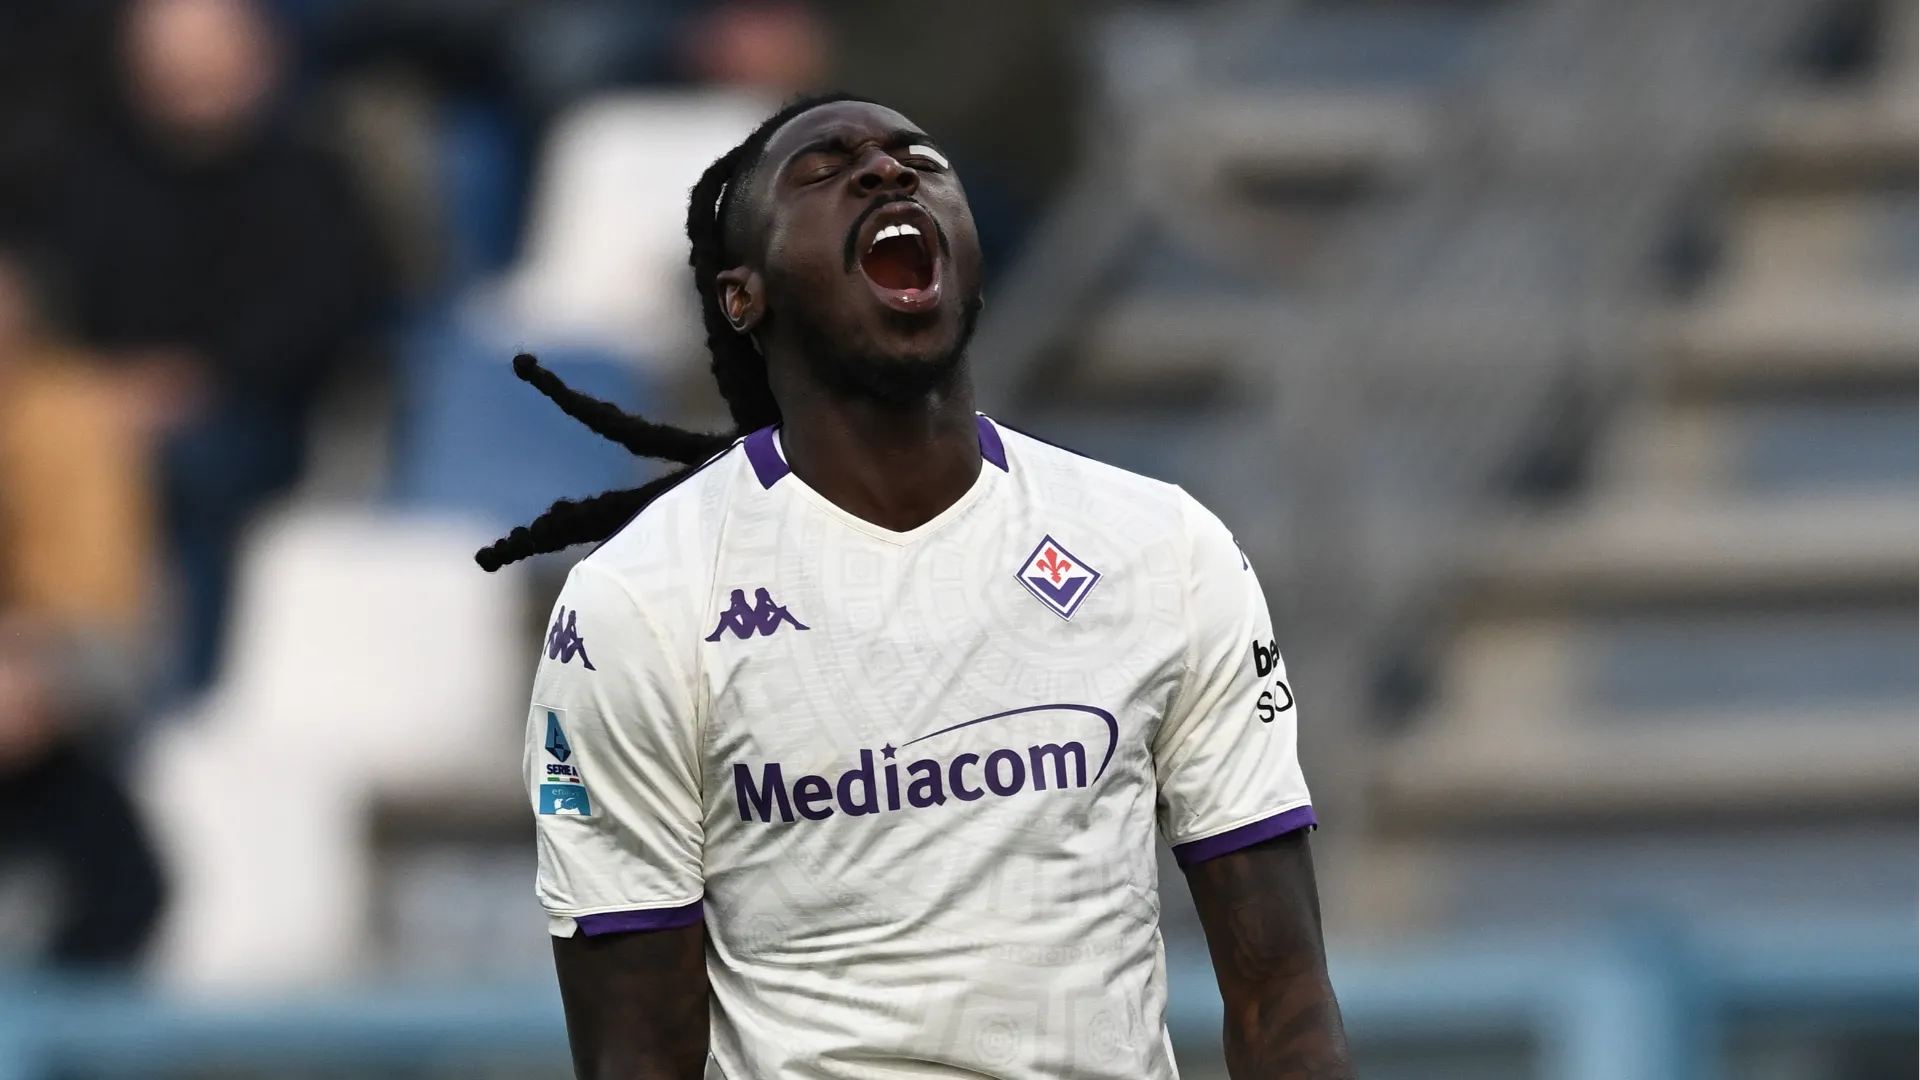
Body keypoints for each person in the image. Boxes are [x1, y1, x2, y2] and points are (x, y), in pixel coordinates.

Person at [478, 95, 1352, 1079]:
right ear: (743, 297)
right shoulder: (640, 604)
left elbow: (1284, 995)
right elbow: (636, 1055)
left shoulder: (1162, 549)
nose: (888, 172)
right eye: (824, 170)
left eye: (920, 160)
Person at [51, 0, 385, 694]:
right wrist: (99, 387)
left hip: (259, 418)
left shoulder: (312, 175)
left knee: (190, 467)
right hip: (97, 403)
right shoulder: (89, 178)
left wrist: (202, 378)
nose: (185, 72)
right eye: (167, 56)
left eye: (203, 53)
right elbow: (55, 308)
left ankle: (184, 692)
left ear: (259, 60)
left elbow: (327, 315)